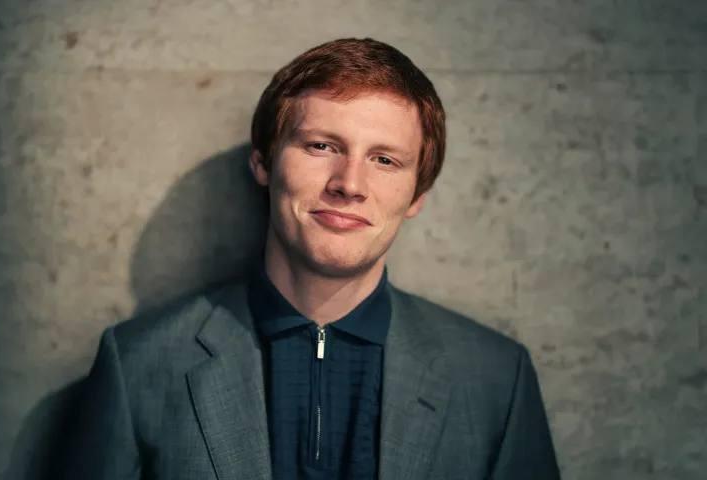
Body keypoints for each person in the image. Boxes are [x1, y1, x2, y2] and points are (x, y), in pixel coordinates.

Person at [65, 38, 560, 480]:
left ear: (416, 196)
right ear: (263, 163)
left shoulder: (496, 378)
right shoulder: (139, 364)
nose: (349, 184)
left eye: (384, 159)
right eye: (322, 146)